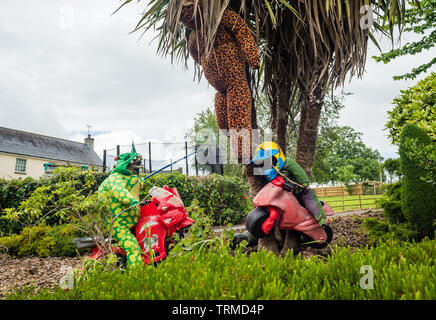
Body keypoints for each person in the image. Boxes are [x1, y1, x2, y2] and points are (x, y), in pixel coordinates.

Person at [233, 142, 326, 247]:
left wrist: (303, 184)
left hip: (297, 190)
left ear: (276, 158)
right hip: (282, 194)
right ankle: (247, 236)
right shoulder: (269, 174)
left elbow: (300, 174)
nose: (265, 166)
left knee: (309, 198)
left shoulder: (287, 163)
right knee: (274, 215)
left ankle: (320, 218)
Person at [98, 151, 145, 267]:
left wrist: (137, 176)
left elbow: (140, 183)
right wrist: (131, 200)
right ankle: (136, 275)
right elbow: (119, 191)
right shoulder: (114, 178)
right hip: (118, 225)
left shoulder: (129, 177)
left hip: (133, 222)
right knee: (132, 247)